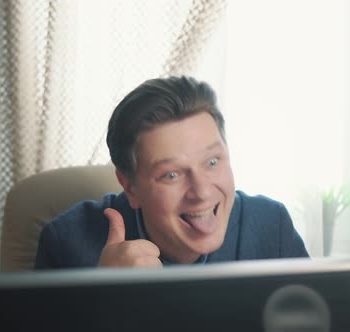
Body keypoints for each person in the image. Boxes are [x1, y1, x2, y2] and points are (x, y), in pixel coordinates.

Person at [35, 76, 308, 269]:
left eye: (212, 162)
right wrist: (104, 299)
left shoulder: (272, 227)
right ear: (130, 187)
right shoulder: (66, 241)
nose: (201, 192)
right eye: (171, 175)